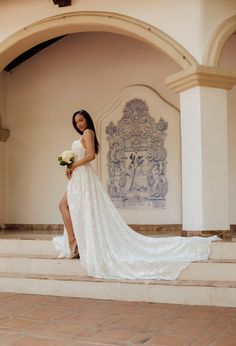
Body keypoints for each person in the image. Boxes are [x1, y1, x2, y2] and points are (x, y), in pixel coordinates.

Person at [53, 110, 220, 280]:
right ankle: (75, 242)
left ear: (87, 120)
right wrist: (70, 166)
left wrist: (73, 165)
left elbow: (90, 155)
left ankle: (75, 243)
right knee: (68, 207)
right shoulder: (84, 134)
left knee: (67, 206)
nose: (79, 124)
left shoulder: (88, 132)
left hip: (83, 175)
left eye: (81, 120)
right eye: (76, 122)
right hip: (78, 176)